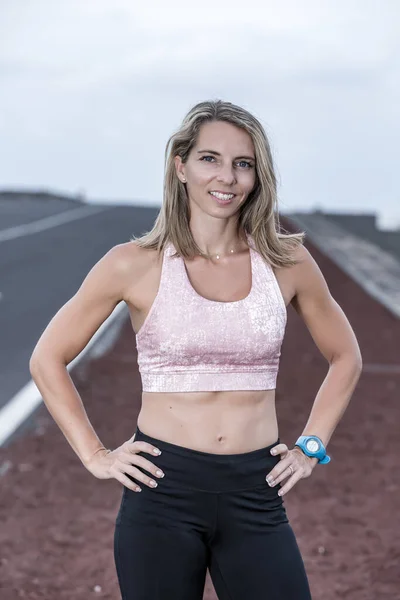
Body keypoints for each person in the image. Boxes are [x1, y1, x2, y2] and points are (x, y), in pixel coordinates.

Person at [29, 99, 363, 599]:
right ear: (180, 166)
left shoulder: (288, 261)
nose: (226, 177)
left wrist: (311, 446)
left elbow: (346, 357)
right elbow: (47, 358)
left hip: (256, 491)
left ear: (257, 175)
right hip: (162, 492)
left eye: (242, 163)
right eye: (210, 159)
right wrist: (96, 455)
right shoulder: (133, 263)